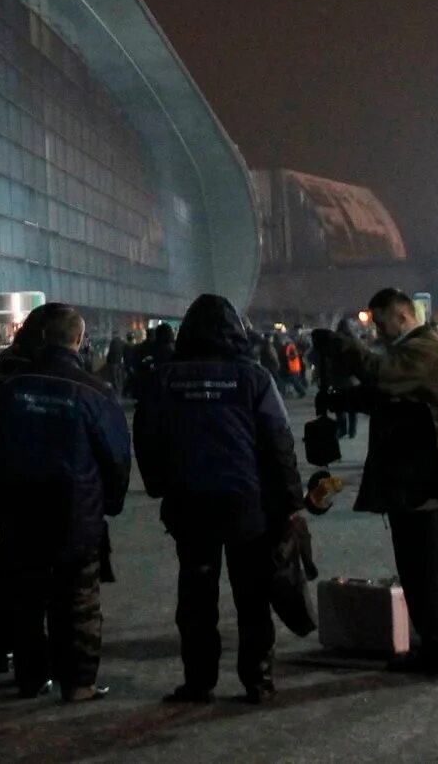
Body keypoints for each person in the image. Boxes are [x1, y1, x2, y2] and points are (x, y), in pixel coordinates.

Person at [135, 295, 302, 705]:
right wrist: (291, 502)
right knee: (251, 595)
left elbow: (146, 438)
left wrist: (160, 485)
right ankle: (257, 681)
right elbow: (278, 443)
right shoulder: (255, 378)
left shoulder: (165, 378)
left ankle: (198, 681)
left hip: (190, 503)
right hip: (246, 504)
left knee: (195, 596)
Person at [312, 287, 438, 675]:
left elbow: (381, 375)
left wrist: (341, 347)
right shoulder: (418, 349)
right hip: (418, 471)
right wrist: (344, 401)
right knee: (430, 565)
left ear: (401, 316)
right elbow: (388, 395)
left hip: (421, 473)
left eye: (381, 323)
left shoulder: (422, 349)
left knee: (422, 567)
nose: (378, 332)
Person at [0, 302, 131, 702]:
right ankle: (78, 683)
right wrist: (109, 503)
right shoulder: (94, 392)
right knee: (78, 601)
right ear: (80, 340)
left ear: (44, 337)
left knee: (28, 598)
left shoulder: (13, 387)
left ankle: (31, 679)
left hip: (20, 512)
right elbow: (116, 458)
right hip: (76, 512)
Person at [0, 312, 54, 672]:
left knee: (10, 564)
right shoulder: (53, 369)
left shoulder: (7, 364)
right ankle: (39, 655)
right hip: (50, 483)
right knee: (51, 572)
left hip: (10, 481)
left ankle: (5, 646)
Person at [329, 315, 362, 439]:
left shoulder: (334, 341)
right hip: (353, 379)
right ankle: (352, 430)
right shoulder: (354, 340)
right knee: (353, 408)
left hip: (338, 378)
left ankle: (342, 429)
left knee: (339, 407)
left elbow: (329, 360)